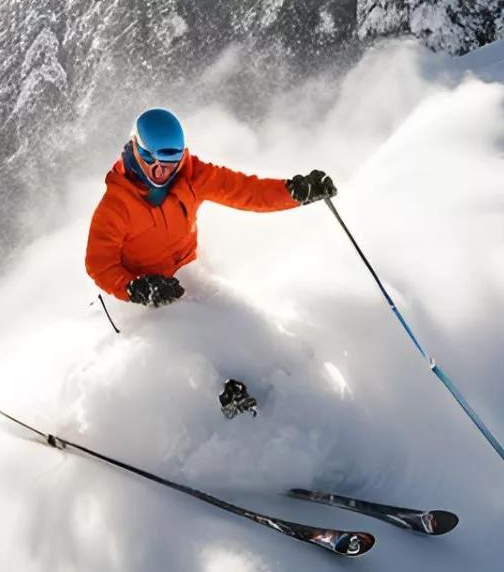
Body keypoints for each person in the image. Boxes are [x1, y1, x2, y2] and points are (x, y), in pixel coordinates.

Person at [83, 107, 338, 417]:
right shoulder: (116, 205)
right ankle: (220, 403)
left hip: (187, 274)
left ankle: (284, 375)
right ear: (137, 150)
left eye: (170, 164)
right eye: (153, 163)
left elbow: (245, 190)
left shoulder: (191, 176)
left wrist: (295, 192)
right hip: (140, 296)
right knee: (186, 344)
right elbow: (99, 263)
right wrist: (137, 288)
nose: (162, 173)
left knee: (236, 319)